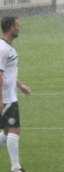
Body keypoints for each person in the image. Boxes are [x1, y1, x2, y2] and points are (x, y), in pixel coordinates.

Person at [0, 16, 31, 172]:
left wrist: (20, 86)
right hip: (6, 98)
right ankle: (16, 167)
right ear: (10, 27)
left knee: (7, 133)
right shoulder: (3, 48)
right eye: (17, 25)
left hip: (10, 95)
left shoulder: (8, 47)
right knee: (14, 130)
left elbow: (8, 72)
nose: (19, 28)